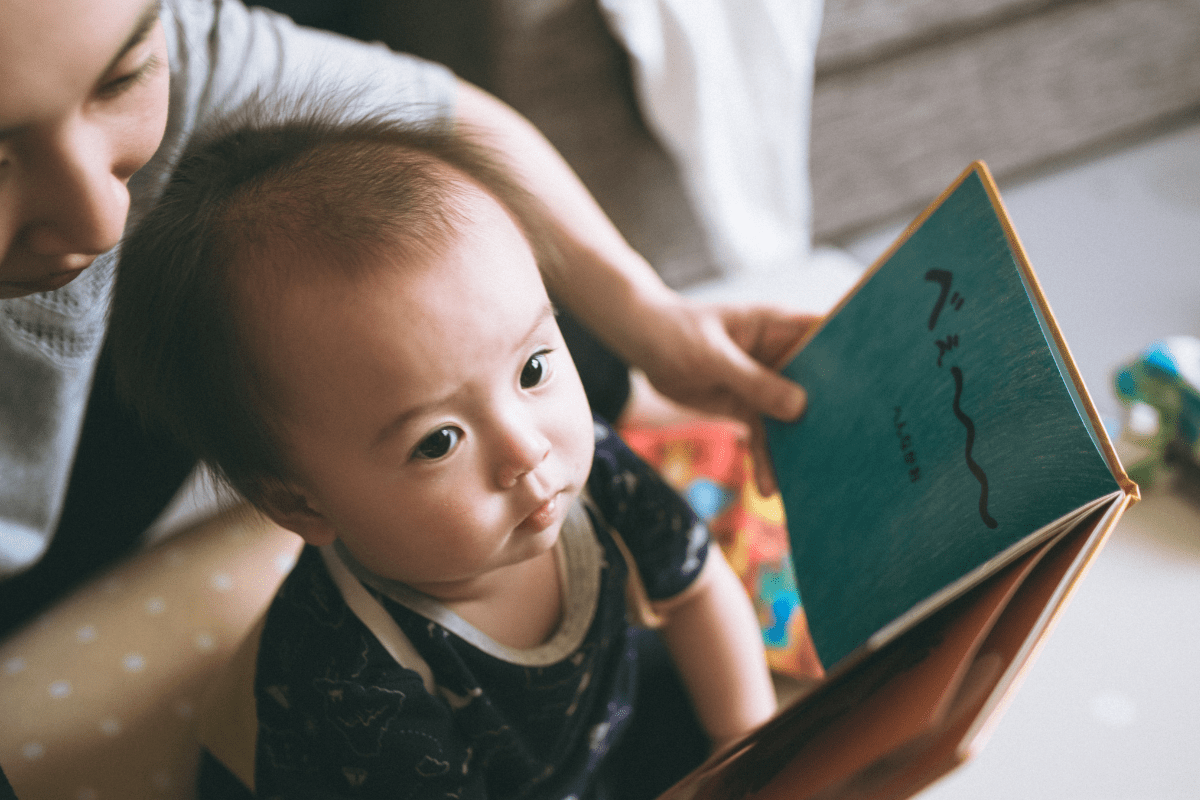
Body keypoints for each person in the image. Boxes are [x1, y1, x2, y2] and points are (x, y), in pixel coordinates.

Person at [0, 0, 814, 640]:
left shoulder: (168, 34)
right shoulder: (356, 674)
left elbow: (442, 115)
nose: (101, 221)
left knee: (441, 318)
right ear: (296, 506)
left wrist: (654, 321)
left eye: (122, 79)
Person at [105, 110, 778, 799]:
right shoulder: (357, 682)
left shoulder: (589, 464)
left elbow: (697, 588)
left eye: (534, 369)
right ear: (300, 502)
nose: (526, 448)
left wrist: (740, 744)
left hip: (579, 738)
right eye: (438, 441)